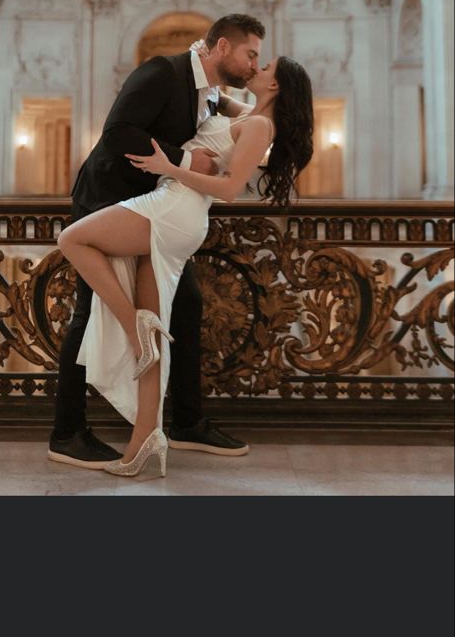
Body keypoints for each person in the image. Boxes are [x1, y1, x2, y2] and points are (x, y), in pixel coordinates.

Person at [57, 50, 314, 478]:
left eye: (264, 66)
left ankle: (132, 322)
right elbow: (209, 95)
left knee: (73, 237)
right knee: (154, 338)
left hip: (175, 210)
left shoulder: (259, 126)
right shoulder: (246, 112)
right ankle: (144, 442)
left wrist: (169, 165)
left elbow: (230, 189)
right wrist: (203, 58)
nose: (256, 67)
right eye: (253, 56)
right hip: (172, 209)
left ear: (275, 85)